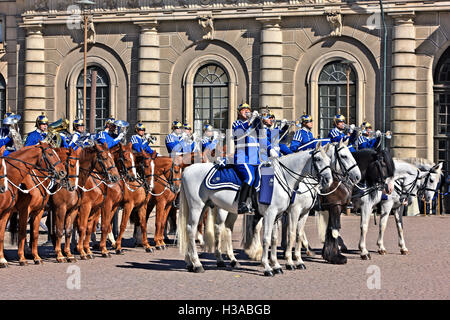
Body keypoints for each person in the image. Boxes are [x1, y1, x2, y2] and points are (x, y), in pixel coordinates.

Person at [232, 102, 261, 214]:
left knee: (259, 181)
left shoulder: (253, 125)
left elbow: (264, 133)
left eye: (248, 109)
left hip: (255, 159)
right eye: (244, 110)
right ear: (239, 113)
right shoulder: (237, 124)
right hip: (242, 158)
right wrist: (251, 120)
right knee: (249, 178)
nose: (246, 111)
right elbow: (239, 132)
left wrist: (258, 120)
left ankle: (255, 204)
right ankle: (241, 204)